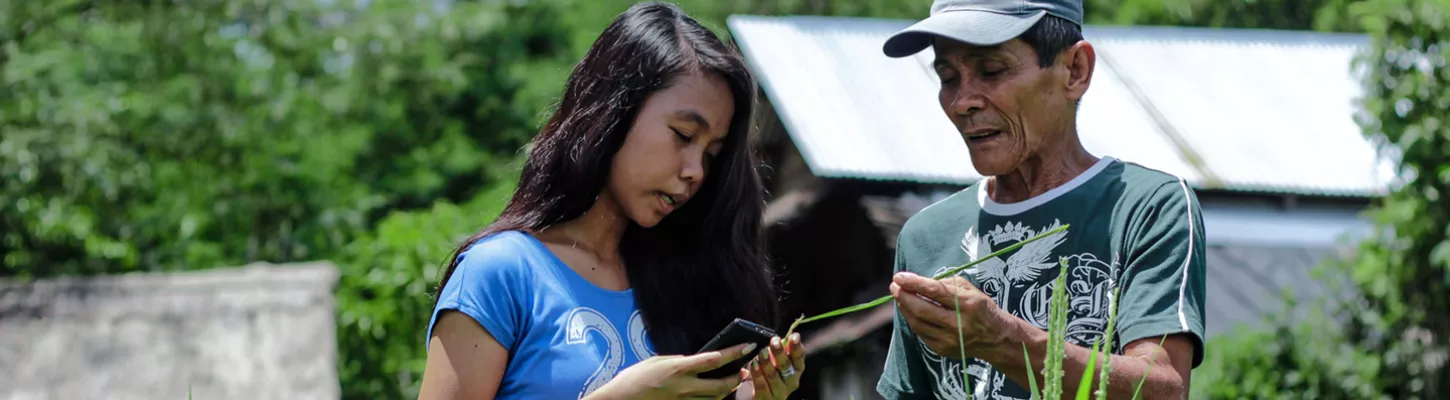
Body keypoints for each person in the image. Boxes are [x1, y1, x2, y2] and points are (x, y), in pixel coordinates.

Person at [415, 2, 806, 399]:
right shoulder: (499, 273)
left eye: (711, 155)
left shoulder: (685, 282)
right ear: (614, 110)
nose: (696, 171)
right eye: (684, 135)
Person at [872, 0, 1207, 399]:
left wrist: (1002, 338)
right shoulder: (925, 236)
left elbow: (1164, 390)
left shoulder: (1145, 207)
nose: (963, 102)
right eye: (947, 77)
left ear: (1075, 70)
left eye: (991, 71)